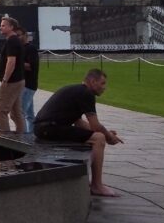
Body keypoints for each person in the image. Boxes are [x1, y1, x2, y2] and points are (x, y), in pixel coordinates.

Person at [34, 68, 124, 197]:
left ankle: (89, 180)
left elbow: (79, 123)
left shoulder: (77, 91)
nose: (105, 87)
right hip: (48, 128)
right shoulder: (86, 93)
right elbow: (95, 126)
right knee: (98, 139)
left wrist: (106, 133)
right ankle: (97, 185)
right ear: (93, 81)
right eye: (102, 83)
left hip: (44, 128)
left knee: (96, 136)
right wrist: (108, 136)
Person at [0, 16, 26, 133]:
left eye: (3, 25)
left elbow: (11, 62)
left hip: (12, 81)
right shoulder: (14, 40)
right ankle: (21, 137)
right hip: (18, 80)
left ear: (11, 27)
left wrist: (5, 80)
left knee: (1, 112)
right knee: (16, 113)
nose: (1, 27)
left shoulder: (12, 41)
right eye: (1, 25)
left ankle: (6, 139)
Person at [21, 30, 39, 133]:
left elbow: (32, 66)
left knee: (20, 113)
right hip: (22, 84)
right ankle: (31, 133)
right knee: (29, 113)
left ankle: (23, 135)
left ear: (25, 35)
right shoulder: (19, 48)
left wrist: (16, 62)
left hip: (28, 85)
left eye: (20, 35)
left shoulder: (31, 49)